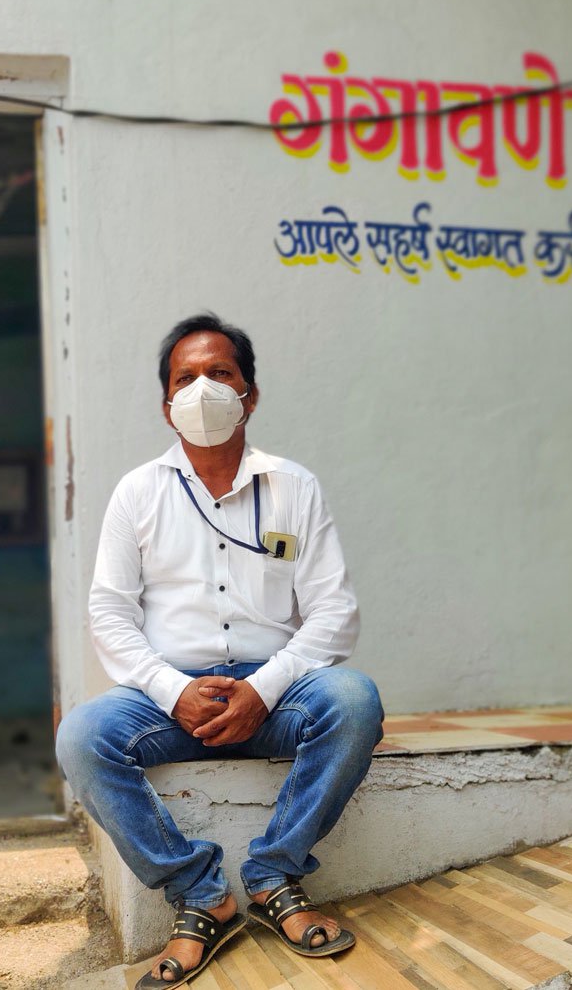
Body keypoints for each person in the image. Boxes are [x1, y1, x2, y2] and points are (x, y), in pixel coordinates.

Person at [56, 313, 382, 988]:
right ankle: (203, 895)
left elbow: (334, 611)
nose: (203, 388)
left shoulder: (294, 486)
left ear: (251, 394)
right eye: (186, 377)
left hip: (276, 694)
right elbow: (110, 611)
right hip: (168, 699)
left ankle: (272, 875)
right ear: (166, 404)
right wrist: (171, 689)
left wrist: (264, 687)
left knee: (354, 700)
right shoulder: (138, 492)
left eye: (220, 373)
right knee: (82, 736)